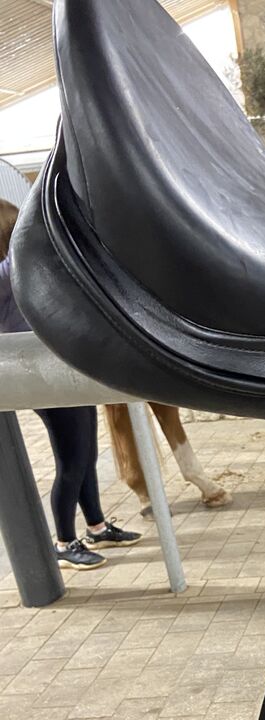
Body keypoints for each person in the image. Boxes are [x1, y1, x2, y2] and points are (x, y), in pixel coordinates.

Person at [1, 198, 142, 570]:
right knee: (72, 461)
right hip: (43, 380)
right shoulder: (8, 272)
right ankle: (64, 541)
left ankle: (96, 526)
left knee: (87, 455)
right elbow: (30, 249)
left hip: (62, 371)